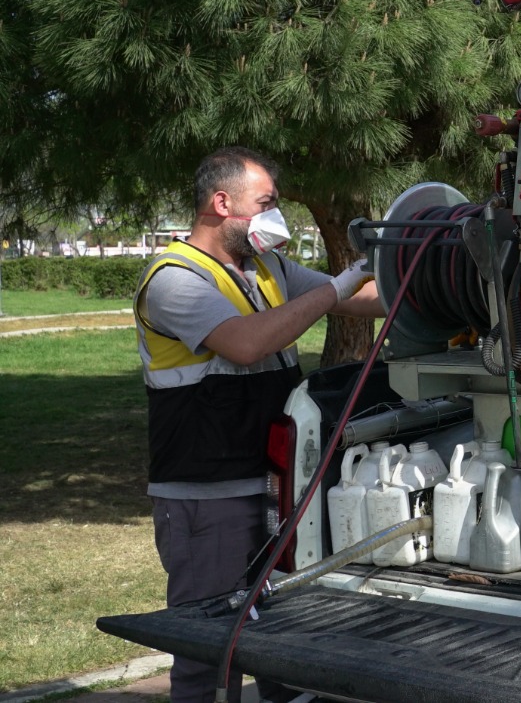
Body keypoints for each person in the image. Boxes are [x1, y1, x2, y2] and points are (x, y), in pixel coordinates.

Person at [134, 147, 384, 703]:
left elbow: (361, 298)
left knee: (282, 638)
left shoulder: (266, 269)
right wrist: (338, 286)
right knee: (207, 651)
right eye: (266, 203)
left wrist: (422, 280)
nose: (277, 216)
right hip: (208, 496)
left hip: (274, 487)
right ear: (222, 204)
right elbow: (246, 344)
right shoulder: (174, 280)